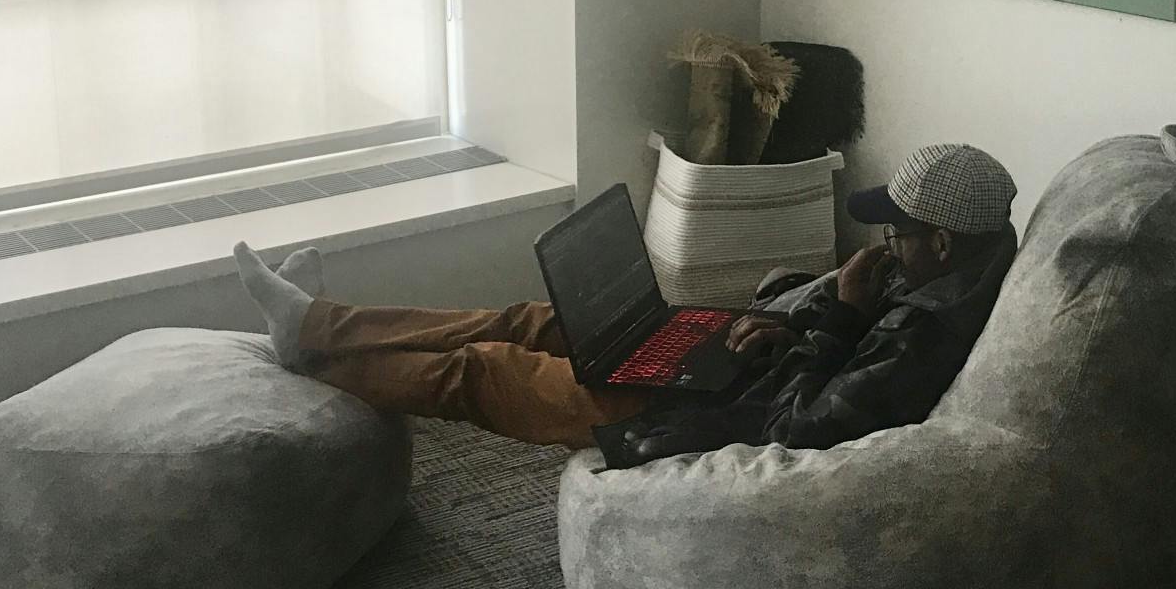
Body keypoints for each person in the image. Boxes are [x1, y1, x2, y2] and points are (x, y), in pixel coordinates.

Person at [230, 142, 1018, 461]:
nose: (886, 246)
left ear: (941, 242)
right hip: (730, 367)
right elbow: (824, 359)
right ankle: (317, 324)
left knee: (480, 370)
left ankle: (309, 356)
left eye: (898, 234)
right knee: (526, 321)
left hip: (699, 412)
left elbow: (799, 429)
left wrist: (837, 318)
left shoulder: (926, 331)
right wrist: (783, 322)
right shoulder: (960, 270)